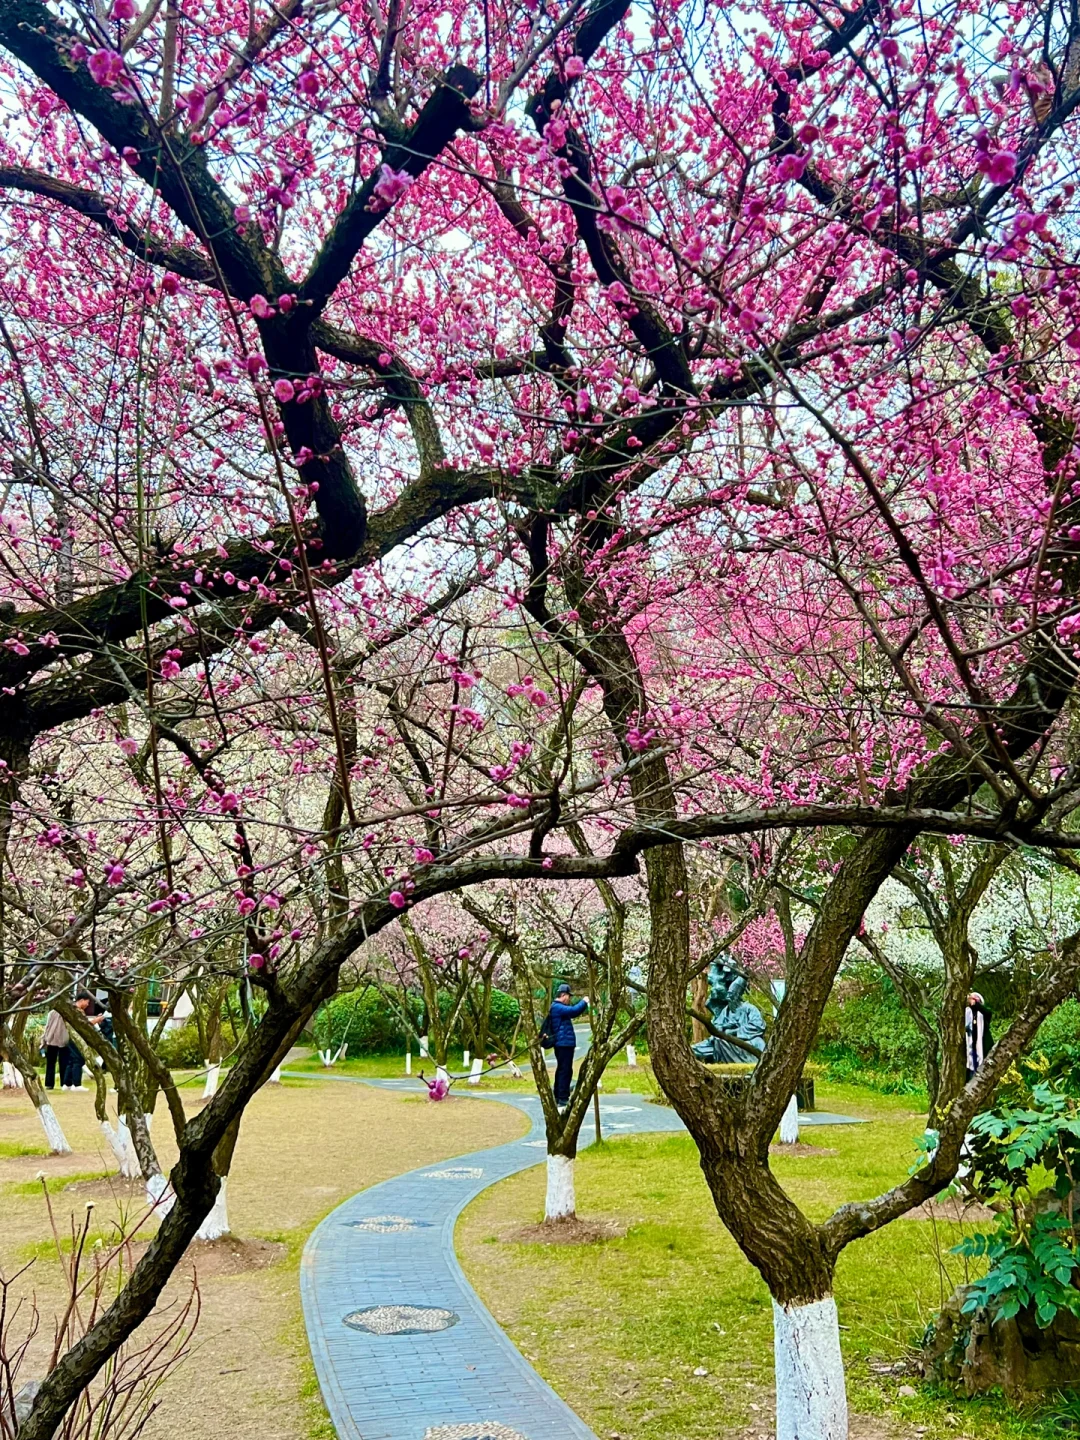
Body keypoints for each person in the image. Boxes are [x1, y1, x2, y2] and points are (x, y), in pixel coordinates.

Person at [548, 981, 588, 1111]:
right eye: (569, 997)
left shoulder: (556, 1007)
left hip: (564, 1043)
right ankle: (562, 1098)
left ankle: (558, 1095)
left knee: (563, 1069)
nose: (569, 999)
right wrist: (585, 1002)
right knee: (565, 1070)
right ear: (563, 995)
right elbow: (574, 1011)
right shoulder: (557, 1007)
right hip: (563, 1043)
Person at [965, 991, 993, 1079]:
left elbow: (988, 1013)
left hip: (982, 1047)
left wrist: (975, 1004)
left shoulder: (984, 1015)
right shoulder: (966, 1013)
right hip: (969, 1049)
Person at [42, 1009, 70, 1090]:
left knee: (52, 1063)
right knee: (62, 1062)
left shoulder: (52, 1013)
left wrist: (45, 1038)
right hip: (61, 1040)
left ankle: (50, 1084)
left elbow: (47, 1026)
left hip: (52, 1039)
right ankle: (63, 1083)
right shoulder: (66, 1011)